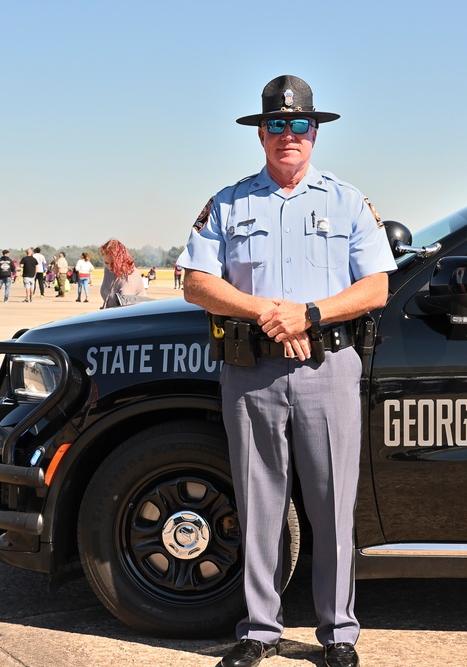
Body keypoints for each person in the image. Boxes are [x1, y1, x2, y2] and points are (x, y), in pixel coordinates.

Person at [178, 75, 396, 667]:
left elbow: (377, 286)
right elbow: (196, 280)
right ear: (261, 134)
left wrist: (311, 315)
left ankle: (339, 633)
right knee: (258, 503)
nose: (288, 135)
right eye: (276, 125)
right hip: (252, 373)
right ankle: (260, 628)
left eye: (299, 125)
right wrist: (266, 313)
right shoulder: (229, 203)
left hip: (328, 368)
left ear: (315, 133)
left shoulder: (347, 201)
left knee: (331, 505)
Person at [98, 238, 145, 309]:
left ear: (121, 259)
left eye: (113, 263)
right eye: (106, 263)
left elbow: (125, 309)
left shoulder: (129, 276)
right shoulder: (108, 269)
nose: (110, 267)